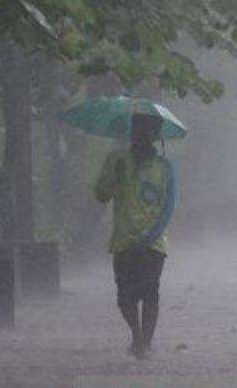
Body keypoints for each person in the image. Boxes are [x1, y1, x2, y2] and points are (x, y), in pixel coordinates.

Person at [94, 113, 175, 359]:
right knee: (124, 295)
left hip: (153, 243)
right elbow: (100, 194)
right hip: (123, 241)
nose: (142, 135)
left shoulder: (164, 168)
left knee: (150, 290)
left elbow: (167, 208)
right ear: (132, 132)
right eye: (138, 129)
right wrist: (114, 177)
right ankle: (136, 334)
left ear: (156, 135)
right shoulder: (117, 160)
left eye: (149, 130)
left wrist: (148, 239)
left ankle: (145, 342)